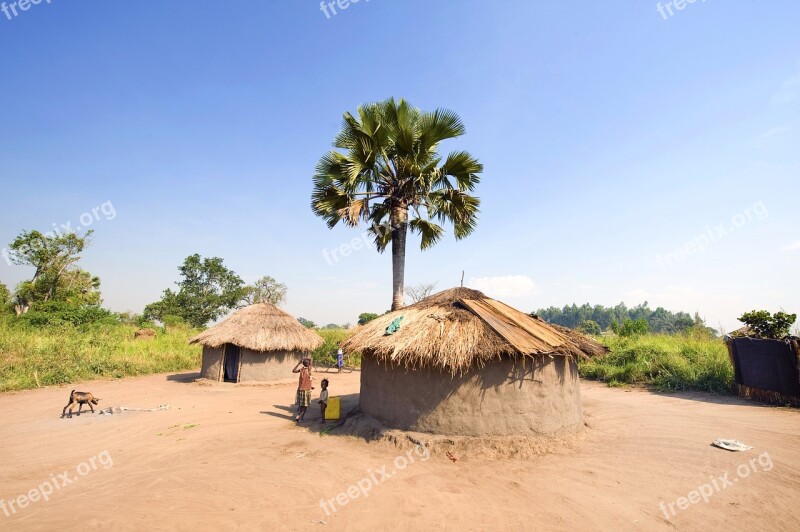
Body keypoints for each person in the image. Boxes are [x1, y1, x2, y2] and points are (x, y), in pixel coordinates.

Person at [292, 358, 313, 423]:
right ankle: (301, 419)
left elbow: (293, 370)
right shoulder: (308, 370)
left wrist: (299, 363)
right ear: (308, 364)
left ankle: (297, 417)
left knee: (301, 405)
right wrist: (306, 358)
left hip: (301, 389)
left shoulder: (301, 370)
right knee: (305, 406)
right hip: (306, 390)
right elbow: (311, 360)